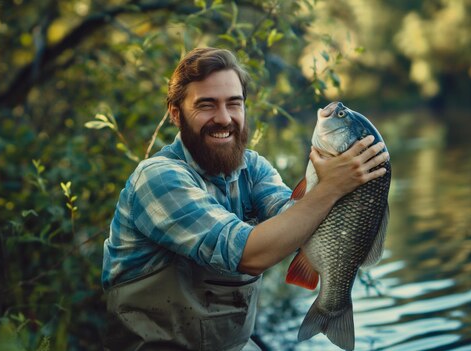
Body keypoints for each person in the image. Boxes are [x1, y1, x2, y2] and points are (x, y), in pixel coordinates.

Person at [101, 47, 388, 350]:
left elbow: (295, 217)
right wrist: (331, 187)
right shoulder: (158, 178)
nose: (224, 118)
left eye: (233, 104)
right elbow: (250, 256)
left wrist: (350, 190)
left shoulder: (252, 168)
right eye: (206, 105)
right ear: (176, 114)